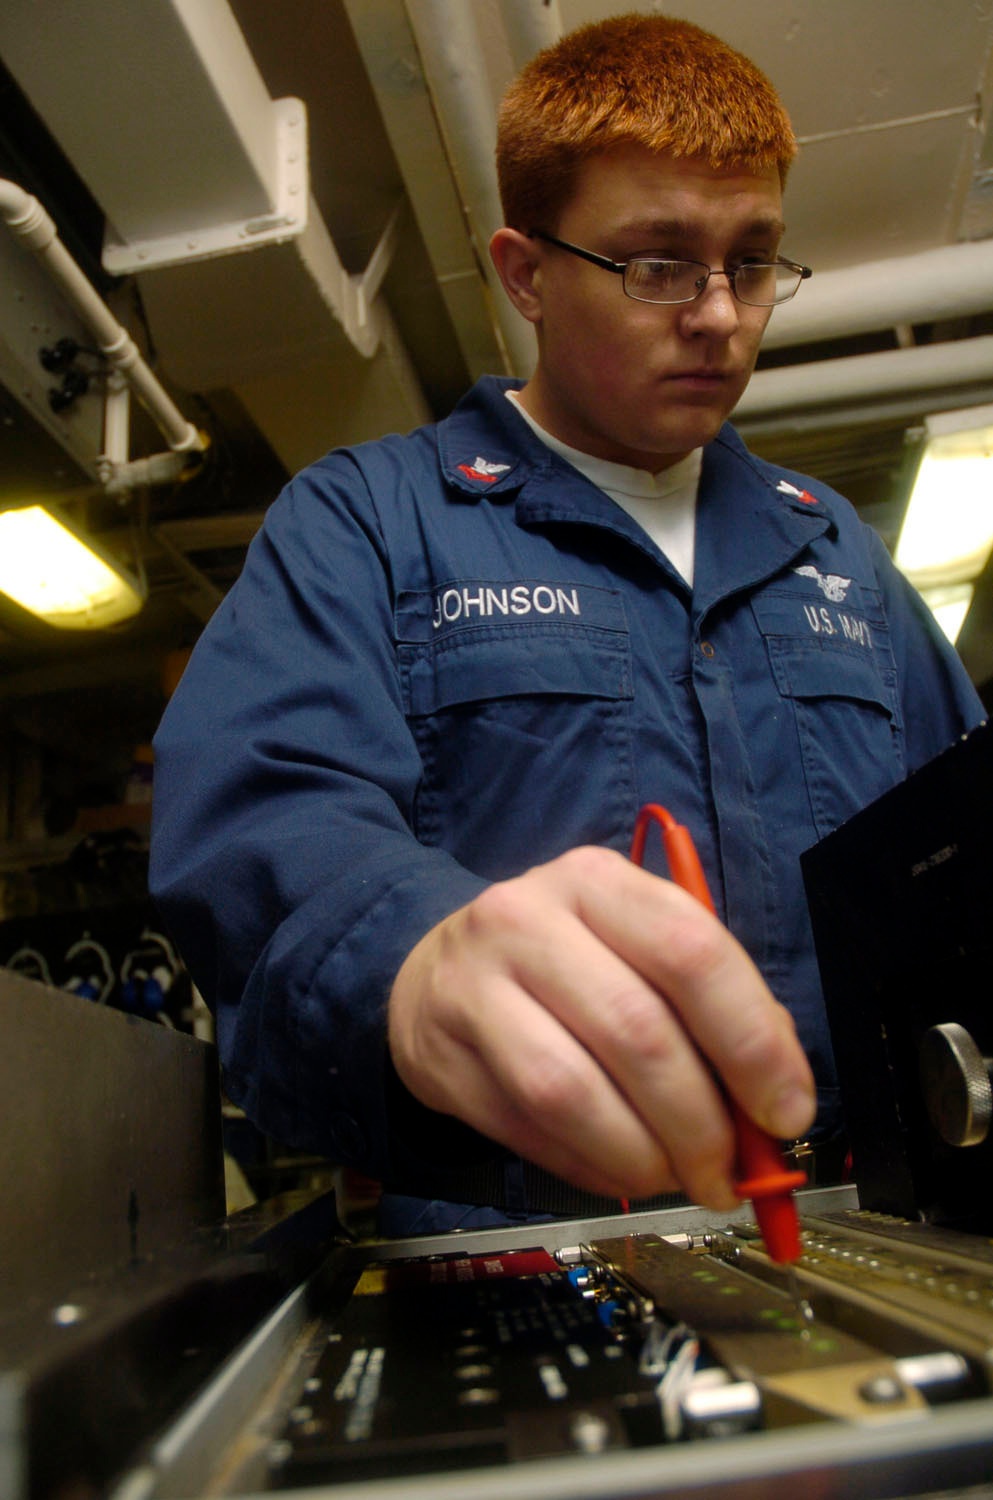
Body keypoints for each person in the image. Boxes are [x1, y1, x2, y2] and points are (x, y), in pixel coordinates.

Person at [150, 13, 984, 1234]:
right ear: (526, 273)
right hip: (517, 1244)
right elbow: (265, 825)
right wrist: (415, 961)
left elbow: (962, 865)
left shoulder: (840, 558)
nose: (719, 315)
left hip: (867, 1230)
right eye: (658, 263)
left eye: (752, 261)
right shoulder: (373, 524)